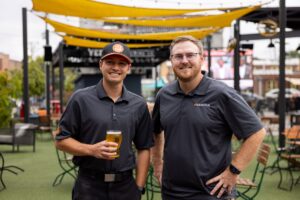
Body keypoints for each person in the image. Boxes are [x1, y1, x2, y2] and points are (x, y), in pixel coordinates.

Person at [152, 35, 266, 200]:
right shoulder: (164, 95)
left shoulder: (221, 93)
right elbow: (156, 131)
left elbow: (257, 133)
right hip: (171, 191)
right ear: (171, 60)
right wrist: (157, 163)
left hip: (212, 192)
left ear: (202, 58)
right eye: (178, 56)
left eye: (190, 55)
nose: (184, 60)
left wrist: (233, 171)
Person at [54, 41, 153, 200]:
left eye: (121, 63)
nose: (116, 67)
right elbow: (60, 140)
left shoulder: (138, 104)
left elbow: (144, 148)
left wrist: (139, 187)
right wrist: (91, 150)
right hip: (89, 186)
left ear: (129, 68)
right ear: (101, 64)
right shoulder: (80, 99)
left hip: (125, 187)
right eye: (110, 62)